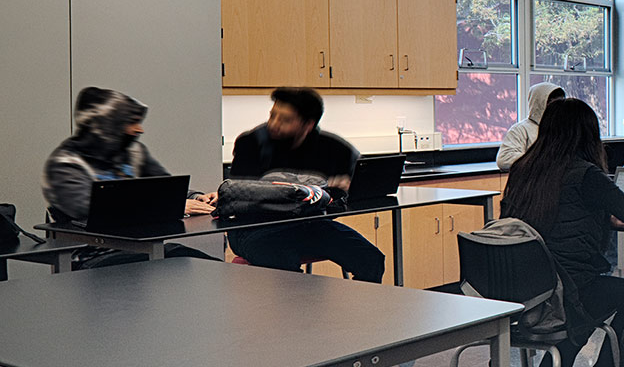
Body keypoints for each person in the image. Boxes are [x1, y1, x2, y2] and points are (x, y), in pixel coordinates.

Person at [498, 99, 624, 367]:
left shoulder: (523, 169)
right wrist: (608, 218)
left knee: (587, 302)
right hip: (567, 285)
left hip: (529, 290)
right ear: (588, 135)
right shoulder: (586, 175)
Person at [42, 87, 216, 266]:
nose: (138, 130)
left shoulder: (134, 152)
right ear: (108, 124)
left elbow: (164, 187)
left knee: (209, 268)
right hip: (90, 257)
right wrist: (170, 206)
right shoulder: (64, 165)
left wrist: (195, 198)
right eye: (131, 122)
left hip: (140, 248)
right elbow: (99, 212)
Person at [228, 87, 384, 281]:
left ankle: (363, 311)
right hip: (254, 228)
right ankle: (298, 311)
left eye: (285, 120)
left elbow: (352, 191)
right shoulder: (250, 143)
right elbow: (238, 195)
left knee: (371, 259)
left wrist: (344, 190)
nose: (274, 124)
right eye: (272, 116)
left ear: (307, 125)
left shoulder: (334, 148)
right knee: (286, 268)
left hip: (308, 225)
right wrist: (319, 193)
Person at [496, 82, 563, 170]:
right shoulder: (521, 130)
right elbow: (504, 159)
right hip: (533, 181)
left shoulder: (563, 128)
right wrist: (542, 159)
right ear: (539, 103)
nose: (558, 108)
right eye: (552, 102)